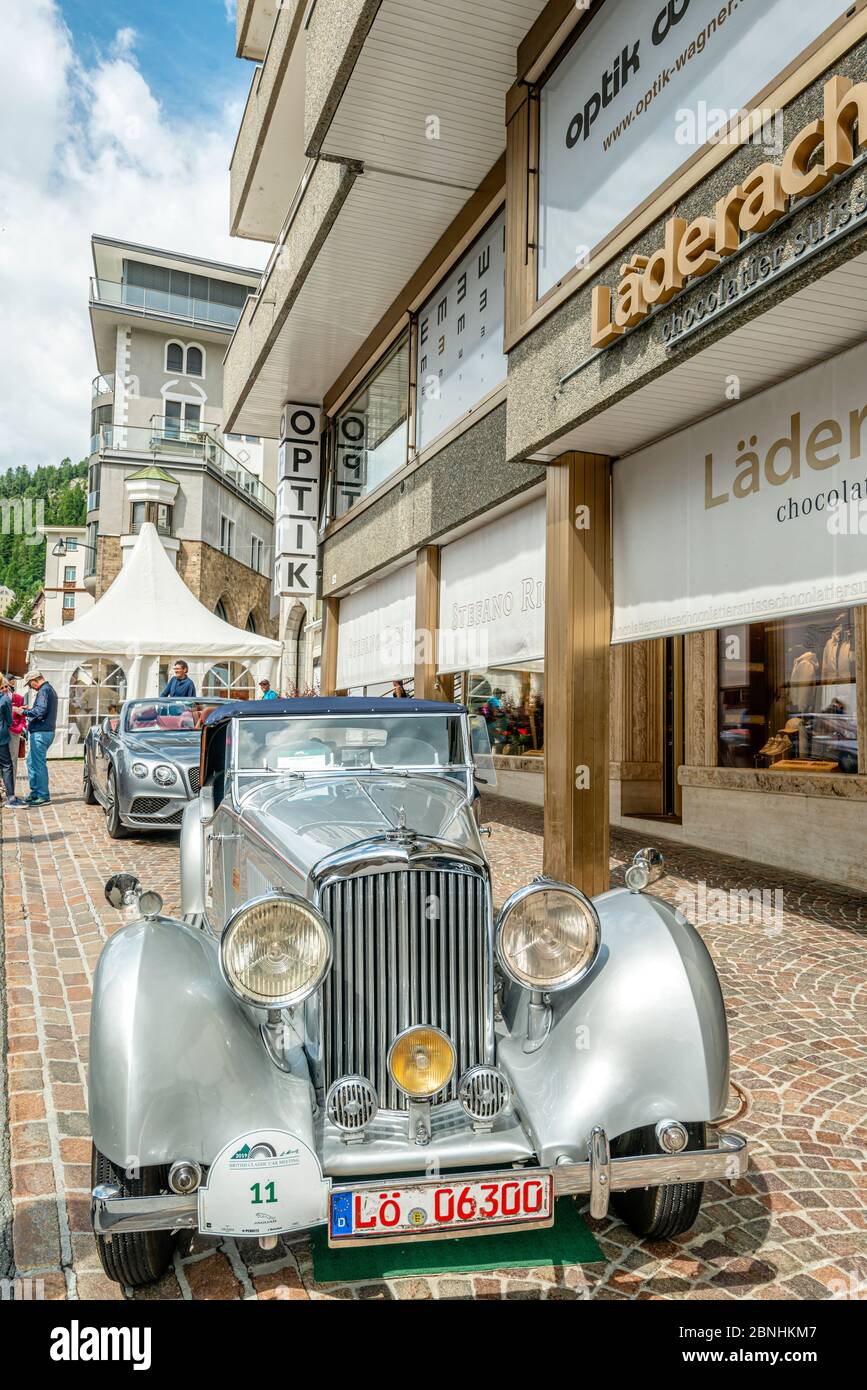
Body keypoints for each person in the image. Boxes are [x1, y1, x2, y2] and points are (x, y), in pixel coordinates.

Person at [21, 669, 58, 807]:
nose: (31, 687)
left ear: (35, 680)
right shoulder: (48, 690)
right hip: (44, 731)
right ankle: (36, 792)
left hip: (41, 732)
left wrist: (23, 711)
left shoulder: (44, 690)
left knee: (38, 764)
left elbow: (40, 711)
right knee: (32, 762)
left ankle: (42, 795)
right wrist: (30, 709)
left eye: (30, 685)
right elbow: (42, 709)